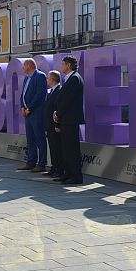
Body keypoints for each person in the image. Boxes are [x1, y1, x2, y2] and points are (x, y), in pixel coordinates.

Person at [53, 55, 85, 185]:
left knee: (72, 149)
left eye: (63, 65)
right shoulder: (70, 79)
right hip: (66, 119)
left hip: (70, 119)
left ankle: (76, 176)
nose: (62, 67)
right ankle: (67, 174)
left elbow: (68, 100)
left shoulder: (75, 79)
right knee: (66, 149)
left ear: (68, 65)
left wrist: (58, 113)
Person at [18, 59, 48, 173]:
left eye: (24, 65)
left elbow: (40, 95)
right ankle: (31, 162)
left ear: (30, 66)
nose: (22, 68)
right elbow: (23, 95)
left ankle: (42, 164)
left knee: (39, 138)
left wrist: (29, 108)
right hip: (27, 114)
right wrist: (22, 107)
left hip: (36, 113)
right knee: (30, 139)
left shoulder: (40, 76)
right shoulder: (26, 78)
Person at [44, 70, 64, 179]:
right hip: (49, 125)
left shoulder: (59, 90)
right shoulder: (51, 91)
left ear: (52, 79)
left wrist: (57, 125)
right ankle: (54, 167)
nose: (47, 80)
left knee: (57, 148)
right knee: (52, 147)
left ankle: (59, 169)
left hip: (55, 125)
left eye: (48, 78)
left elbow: (57, 108)